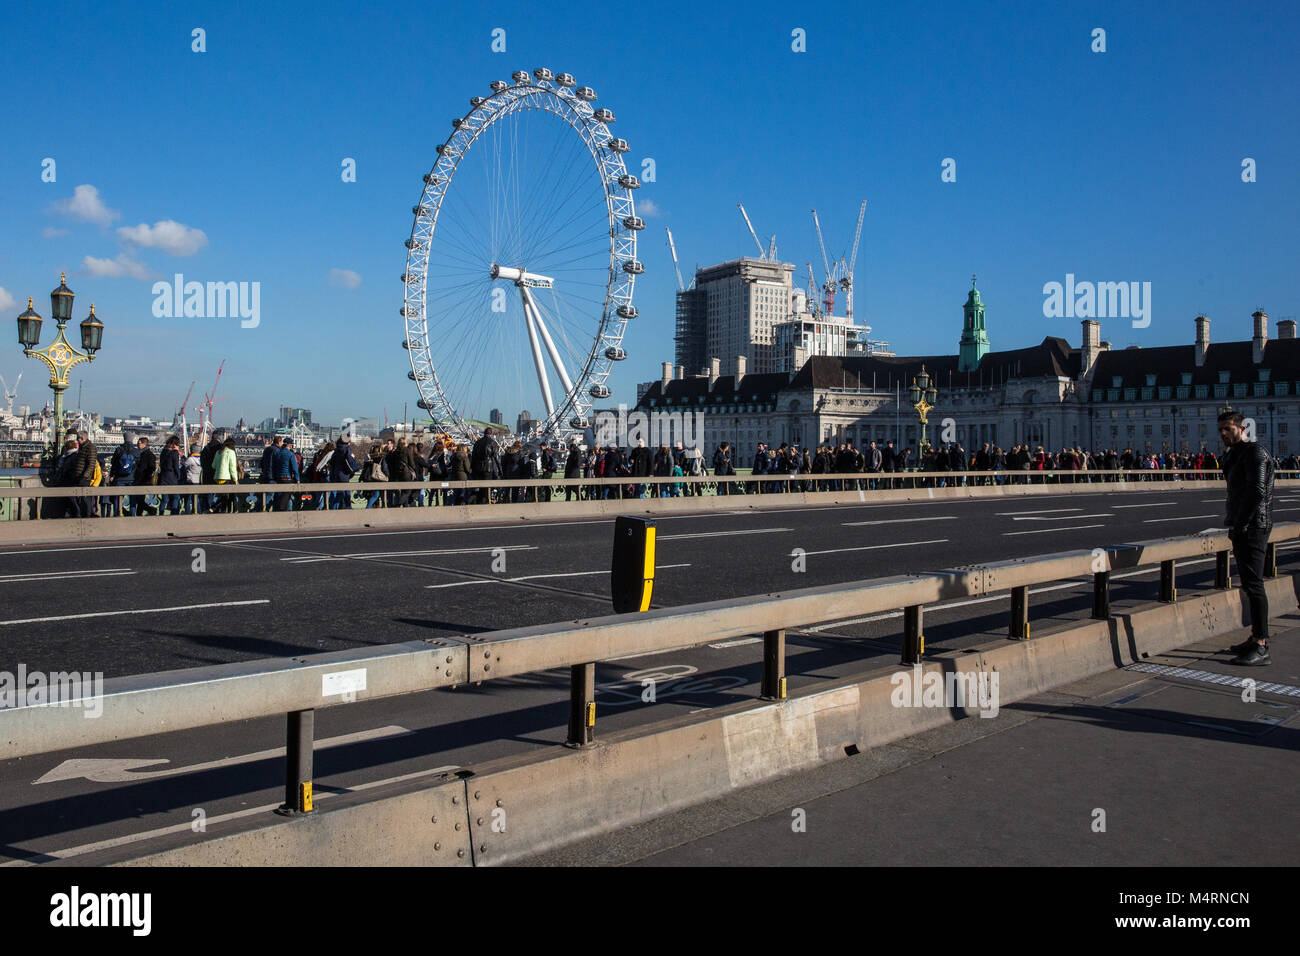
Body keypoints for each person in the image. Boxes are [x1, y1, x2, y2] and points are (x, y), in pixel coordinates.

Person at [1220, 410, 1274, 665]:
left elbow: (1256, 492)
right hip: (1243, 526)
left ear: (1242, 429)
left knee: (1254, 586)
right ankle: (1255, 637)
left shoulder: (1255, 452)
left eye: (1228, 429)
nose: (1223, 434)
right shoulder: (1235, 454)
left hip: (1254, 527)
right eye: (1221, 429)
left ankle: (1262, 644)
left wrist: (1241, 524)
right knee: (1249, 585)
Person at [271, 436, 301, 511]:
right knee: (286, 496)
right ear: (290, 445)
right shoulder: (290, 454)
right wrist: (297, 479)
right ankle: (284, 510)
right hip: (287, 478)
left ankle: (277, 510)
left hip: (278, 478)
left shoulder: (277, 453)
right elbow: (295, 468)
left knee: (279, 496)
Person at [329, 438, 360, 509]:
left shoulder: (336, 450)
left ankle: (338, 509)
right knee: (344, 494)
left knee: (343, 493)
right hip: (344, 474)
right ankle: (345, 509)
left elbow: (332, 463)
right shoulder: (346, 449)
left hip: (336, 474)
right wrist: (354, 462)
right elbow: (350, 460)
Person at [158, 435, 184, 515]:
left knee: (165, 499)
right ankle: (174, 514)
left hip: (163, 477)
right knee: (176, 497)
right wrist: (178, 476)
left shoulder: (164, 451)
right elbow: (176, 466)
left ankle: (161, 513)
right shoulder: (174, 453)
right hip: (172, 477)